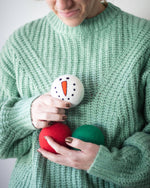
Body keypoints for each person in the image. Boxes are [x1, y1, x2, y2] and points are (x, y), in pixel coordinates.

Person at [0, 0, 150, 187]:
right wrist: (24, 115)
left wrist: (111, 163)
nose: (62, 5)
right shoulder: (20, 44)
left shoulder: (143, 39)